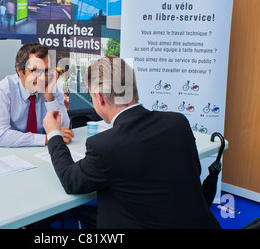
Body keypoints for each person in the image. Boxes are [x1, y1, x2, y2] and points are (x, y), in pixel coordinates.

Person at [43, 56, 221, 229]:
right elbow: (193, 171)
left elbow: (70, 180)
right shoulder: (178, 122)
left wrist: (53, 134)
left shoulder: (104, 145)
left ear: (100, 97)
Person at [0, 42, 73, 147]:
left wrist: (49, 98)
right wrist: (48, 138)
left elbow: (64, 129)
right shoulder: (3, 90)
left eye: (46, 71)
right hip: (3, 152)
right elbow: (0, 136)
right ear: (20, 71)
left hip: (37, 151)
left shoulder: (51, 87)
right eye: (35, 71)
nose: (42, 78)